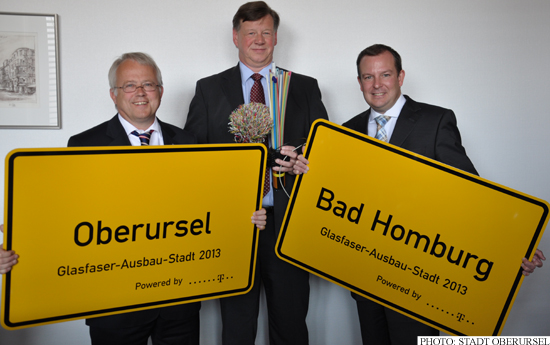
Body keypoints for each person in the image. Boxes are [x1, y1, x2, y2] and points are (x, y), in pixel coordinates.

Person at [0, 52, 267, 345]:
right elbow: (68, 217)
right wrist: (21, 241)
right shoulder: (84, 145)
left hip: (179, 302)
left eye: (148, 85)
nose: (140, 92)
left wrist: (245, 217)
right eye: (129, 85)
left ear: (160, 92)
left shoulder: (189, 143)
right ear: (114, 95)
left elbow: (211, 206)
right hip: (114, 306)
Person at [293, 43, 545, 344]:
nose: (377, 85)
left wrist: (509, 245)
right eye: (368, 77)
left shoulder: (435, 122)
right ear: (359, 83)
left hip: (418, 277)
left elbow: (472, 192)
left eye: (385, 74)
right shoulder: (345, 132)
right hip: (363, 274)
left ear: (400, 76)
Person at [184, 2, 328, 344]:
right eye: (251, 33)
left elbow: (324, 150)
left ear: (276, 37)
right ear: (236, 37)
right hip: (237, 223)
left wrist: (305, 158)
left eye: (266, 32)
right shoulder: (208, 89)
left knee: (291, 323)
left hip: (289, 224)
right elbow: (193, 156)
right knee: (237, 324)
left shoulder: (304, 87)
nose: (258, 40)